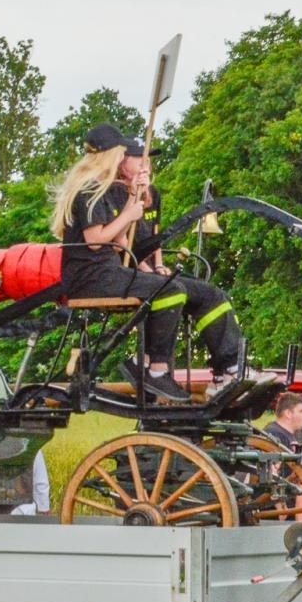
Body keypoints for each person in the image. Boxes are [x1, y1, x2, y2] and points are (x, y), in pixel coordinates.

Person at [49, 124, 243, 403]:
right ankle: (154, 369)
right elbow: (95, 241)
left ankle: (227, 366)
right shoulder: (89, 191)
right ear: (111, 155)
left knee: (196, 291)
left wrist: (132, 203)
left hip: (109, 270)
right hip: (91, 277)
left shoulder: (104, 190)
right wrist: (129, 215)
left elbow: (120, 239)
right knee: (170, 289)